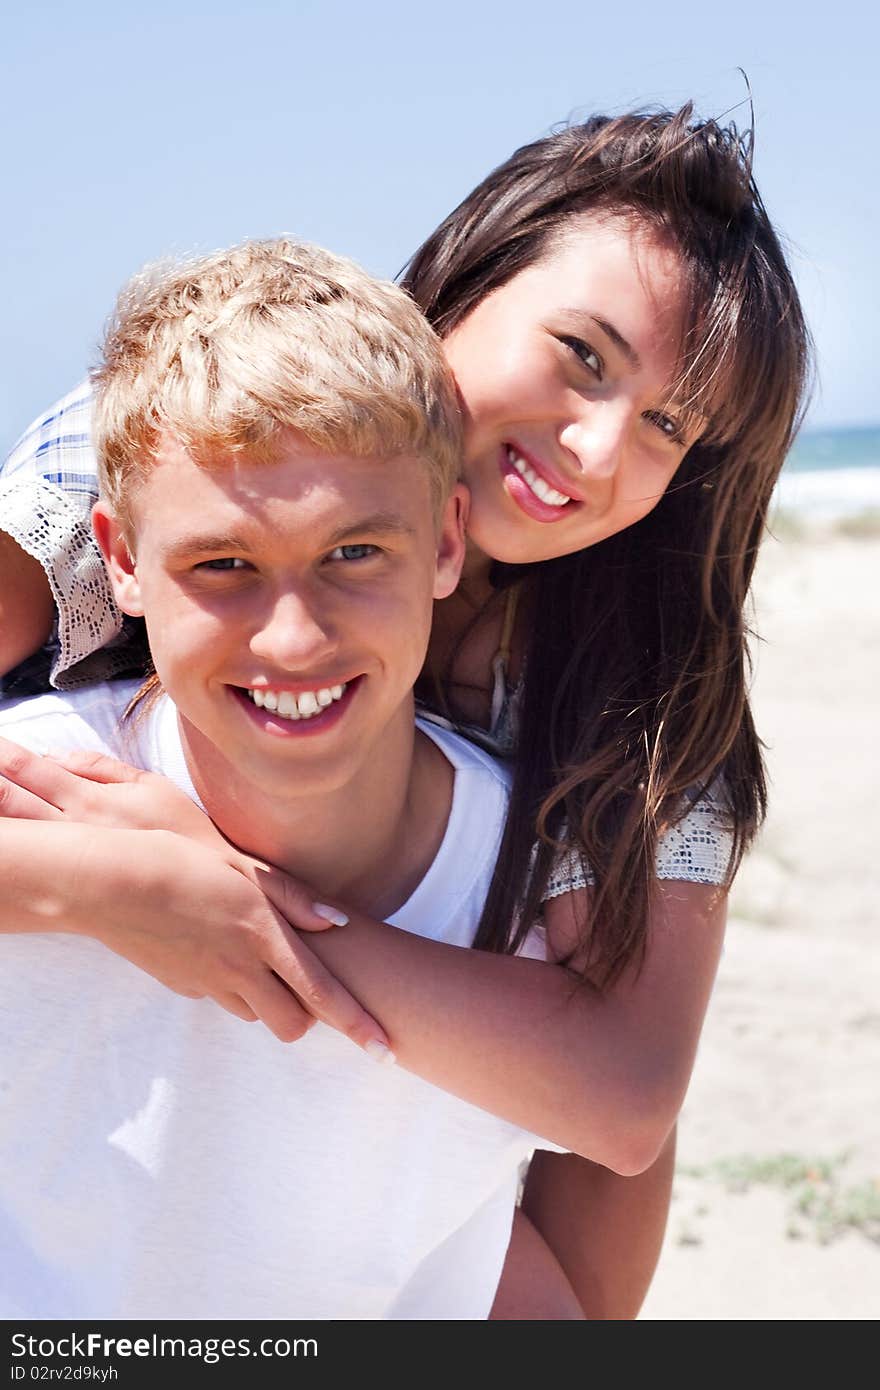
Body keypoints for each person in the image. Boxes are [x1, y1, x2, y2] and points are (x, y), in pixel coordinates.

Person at [0, 104, 810, 1318]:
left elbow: (630, 1095)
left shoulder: (658, 703)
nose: (592, 450)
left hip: (427, 1135)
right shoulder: (207, 427)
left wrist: (237, 902)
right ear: (470, 281)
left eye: (664, 425)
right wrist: (106, 884)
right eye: (582, 356)